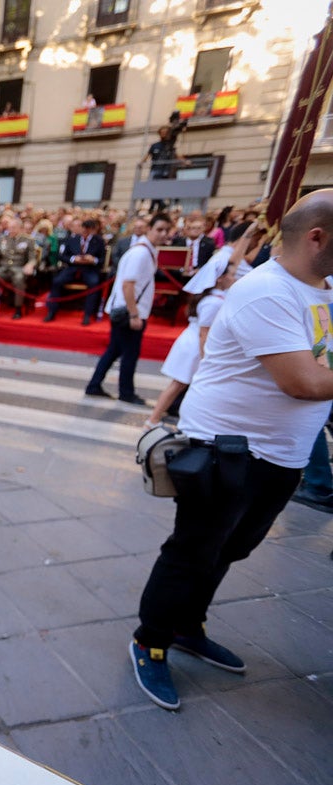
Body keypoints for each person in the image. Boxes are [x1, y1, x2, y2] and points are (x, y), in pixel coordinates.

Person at [129, 190, 333, 711]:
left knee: (231, 548)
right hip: (227, 451)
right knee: (194, 549)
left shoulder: (322, 289)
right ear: (318, 237)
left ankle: (187, 626)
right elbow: (305, 382)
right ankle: (151, 639)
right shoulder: (267, 292)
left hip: (281, 456)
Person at [146, 227, 252, 427]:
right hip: (195, 347)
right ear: (220, 279)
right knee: (178, 385)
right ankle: (153, 419)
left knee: (183, 385)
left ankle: (165, 419)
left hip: (193, 343)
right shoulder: (213, 302)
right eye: (230, 275)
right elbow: (204, 333)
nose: (234, 278)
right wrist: (207, 358)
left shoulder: (215, 297)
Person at [84, 213, 173, 405]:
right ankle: (126, 392)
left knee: (114, 350)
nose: (163, 234)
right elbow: (128, 285)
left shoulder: (146, 251)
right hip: (128, 311)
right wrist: (134, 314)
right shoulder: (140, 253)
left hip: (127, 309)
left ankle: (94, 385)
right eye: (159, 229)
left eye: (166, 230)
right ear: (149, 229)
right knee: (130, 354)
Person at [44, 218, 106, 325]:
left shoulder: (99, 241)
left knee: (94, 283)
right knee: (57, 281)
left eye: (88, 230)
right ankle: (52, 311)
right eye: (83, 229)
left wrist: (93, 260)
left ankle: (87, 314)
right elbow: (62, 256)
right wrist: (73, 259)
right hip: (72, 268)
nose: (85, 232)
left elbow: (103, 260)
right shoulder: (72, 239)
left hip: (89, 269)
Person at [0, 215, 38, 319]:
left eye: (13, 228)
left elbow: (32, 258)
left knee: (19, 279)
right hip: (4, 267)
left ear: (20, 228)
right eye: (9, 227)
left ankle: (18, 308)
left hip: (19, 267)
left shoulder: (28, 240)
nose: (10, 230)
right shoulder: (3, 239)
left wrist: (30, 265)